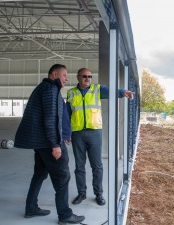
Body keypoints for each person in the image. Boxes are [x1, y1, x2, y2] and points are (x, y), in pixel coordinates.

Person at [14, 64, 85, 224]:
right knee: (62, 176)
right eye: (64, 75)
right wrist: (55, 144)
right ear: (54, 74)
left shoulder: (46, 88)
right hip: (47, 143)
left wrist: (64, 133)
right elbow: (51, 118)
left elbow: (57, 117)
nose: (67, 78)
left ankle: (31, 208)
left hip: (40, 142)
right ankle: (65, 215)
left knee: (39, 173)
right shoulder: (50, 90)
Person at [66, 68, 134, 205]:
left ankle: (99, 194)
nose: (87, 79)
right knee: (79, 167)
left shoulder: (97, 89)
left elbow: (112, 90)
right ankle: (82, 194)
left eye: (90, 76)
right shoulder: (71, 93)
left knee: (97, 166)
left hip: (94, 133)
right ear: (78, 77)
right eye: (84, 76)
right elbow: (67, 114)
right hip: (77, 133)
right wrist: (66, 133)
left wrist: (123, 92)